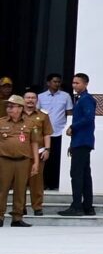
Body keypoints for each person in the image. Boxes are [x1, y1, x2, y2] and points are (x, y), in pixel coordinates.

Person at [64, 72, 97, 216]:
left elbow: (89, 118)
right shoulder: (81, 99)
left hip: (82, 141)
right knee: (84, 173)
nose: (74, 85)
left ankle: (77, 205)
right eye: (73, 83)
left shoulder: (86, 99)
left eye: (77, 83)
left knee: (77, 173)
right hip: (80, 141)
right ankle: (87, 206)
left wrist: (73, 127)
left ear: (85, 84)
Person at [35, 72, 68, 200]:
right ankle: (44, 183)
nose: (57, 84)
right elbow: (37, 113)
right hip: (44, 133)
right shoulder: (40, 97)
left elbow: (69, 112)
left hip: (60, 131)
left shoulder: (65, 96)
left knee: (57, 159)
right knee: (44, 159)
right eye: (54, 81)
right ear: (48, 83)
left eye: (58, 82)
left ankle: (55, 183)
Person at [0, 97, 33, 225]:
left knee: (20, 189)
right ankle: (0, 216)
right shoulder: (1, 122)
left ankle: (17, 218)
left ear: (20, 108)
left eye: (12, 106)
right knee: (2, 189)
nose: (8, 108)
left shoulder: (29, 123)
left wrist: (35, 162)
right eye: (8, 106)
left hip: (23, 160)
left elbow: (34, 143)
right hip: (4, 159)